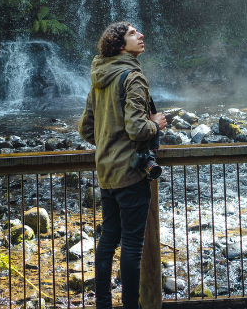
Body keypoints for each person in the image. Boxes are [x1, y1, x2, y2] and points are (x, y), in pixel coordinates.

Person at [79, 22, 168, 309]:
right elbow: (137, 129)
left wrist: (109, 144)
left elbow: (85, 129)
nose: (141, 35)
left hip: (106, 173)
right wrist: (155, 125)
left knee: (108, 241)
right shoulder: (133, 77)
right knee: (132, 245)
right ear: (120, 46)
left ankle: (103, 305)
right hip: (130, 174)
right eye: (132, 33)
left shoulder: (100, 77)